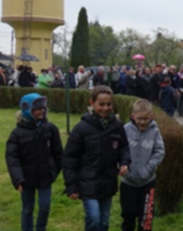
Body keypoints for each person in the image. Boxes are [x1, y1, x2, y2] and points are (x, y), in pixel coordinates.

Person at [63, 85, 131, 231]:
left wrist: (124, 162)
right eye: (101, 104)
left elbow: (124, 147)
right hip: (88, 181)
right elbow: (69, 158)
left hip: (108, 180)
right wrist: (71, 186)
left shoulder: (117, 126)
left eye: (109, 104)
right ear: (92, 103)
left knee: (104, 221)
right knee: (94, 217)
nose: (105, 108)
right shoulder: (81, 128)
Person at [5, 93, 63, 231]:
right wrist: (18, 179)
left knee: (45, 204)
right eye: (37, 108)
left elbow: (59, 153)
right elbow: (12, 158)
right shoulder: (17, 134)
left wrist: (54, 171)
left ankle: (40, 228)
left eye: (43, 108)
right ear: (27, 110)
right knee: (27, 208)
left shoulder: (50, 129)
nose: (41, 111)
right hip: (26, 178)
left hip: (45, 176)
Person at [120, 99, 165, 231]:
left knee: (146, 218)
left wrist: (148, 169)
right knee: (128, 214)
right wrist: (123, 165)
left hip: (147, 183)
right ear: (133, 116)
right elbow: (119, 150)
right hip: (128, 182)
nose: (142, 122)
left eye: (146, 119)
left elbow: (159, 152)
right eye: (139, 118)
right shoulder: (125, 130)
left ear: (151, 116)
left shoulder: (155, 132)